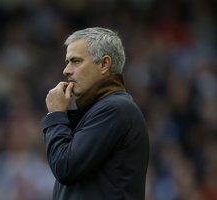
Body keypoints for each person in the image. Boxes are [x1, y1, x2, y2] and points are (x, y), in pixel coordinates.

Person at [41, 27, 149, 200]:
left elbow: (64, 167)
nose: (66, 70)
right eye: (67, 61)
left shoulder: (116, 109)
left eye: (76, 61)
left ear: (104, 64)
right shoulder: (99, 110)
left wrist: (56, 115)